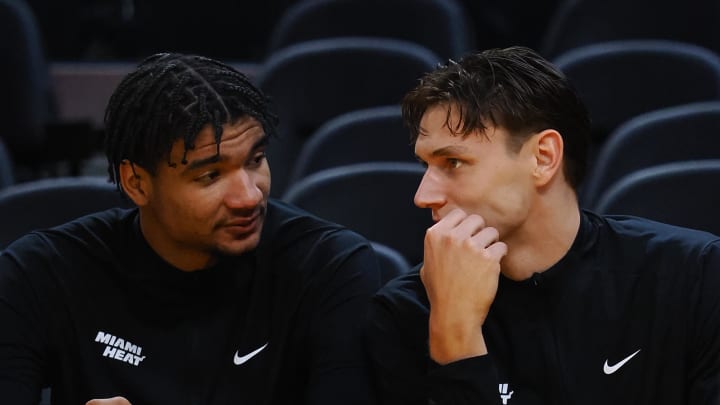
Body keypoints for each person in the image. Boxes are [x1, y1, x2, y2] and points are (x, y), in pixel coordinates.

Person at [0, 53, 381, 404]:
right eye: (210, 175)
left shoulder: (329, 268)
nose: (249, 197)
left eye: (256, 160)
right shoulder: (41, 273)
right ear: (136, 183)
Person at [365, 46, 720, 404]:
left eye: (453, 162)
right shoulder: (406, 312)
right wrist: (455, 336)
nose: (423, 195)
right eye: (426, 165)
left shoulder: (692, 275)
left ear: (543, 157)